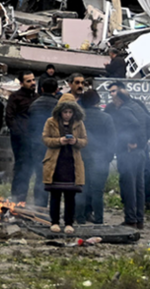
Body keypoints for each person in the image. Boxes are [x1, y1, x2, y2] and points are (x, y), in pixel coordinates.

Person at [105, 84, 150, 228]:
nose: (113, 102)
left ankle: (130, 219)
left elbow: (134, 125)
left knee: (129, 187)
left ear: (119, 99)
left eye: (114, 99)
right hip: (141, 153)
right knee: (139, 187)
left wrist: (133, 142)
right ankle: (139, 220)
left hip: (129, 154)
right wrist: (144, 142)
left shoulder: (125, 110)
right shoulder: (136, 106)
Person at [43, 98, 88, 233]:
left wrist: (75, 141)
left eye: (70, 112)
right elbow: (45, 139)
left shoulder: (79, 123)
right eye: (65, 112)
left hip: (72, 163)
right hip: (55, 163)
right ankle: (54, 222)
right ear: (60, 112)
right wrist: (59, 141)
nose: (67, 114)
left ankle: (69, 223)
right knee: (55, 195)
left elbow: (85, 141)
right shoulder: (50, 122)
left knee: (70, 196)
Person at [77, 88, 116, 225]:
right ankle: (98, 220)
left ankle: (80, 218)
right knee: (97, 191)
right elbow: (112, 141)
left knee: (81, 189)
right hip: (101, 159)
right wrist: (108, 157)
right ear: (98, 102)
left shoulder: (79, 119)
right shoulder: (106, 118)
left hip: (82, 158)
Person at [26, 77, 63, 206]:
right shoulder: (58, 105)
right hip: (54, 144)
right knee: (53, 176)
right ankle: (50, 206)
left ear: (41, 89)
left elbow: (30, 125)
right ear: (56, 90)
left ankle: (39, 205)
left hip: (36, 143)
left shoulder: (34, 104)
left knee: (39, 175)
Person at [5, 73, 39, 201]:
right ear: (21, 83)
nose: (32, 83)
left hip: (35, 139)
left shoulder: (37, 97)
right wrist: (20, 134)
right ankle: (17, 198)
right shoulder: (15, 97)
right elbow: (9, 117)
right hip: (21, 140)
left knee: (32, 169)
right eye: (28, 81)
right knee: (21, 168)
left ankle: (29, 199)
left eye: (33, 80)